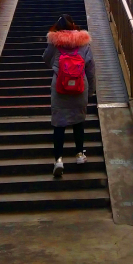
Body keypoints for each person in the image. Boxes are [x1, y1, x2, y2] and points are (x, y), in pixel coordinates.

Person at [43, 14, 96, 177]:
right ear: (73, 26)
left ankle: (58, 160)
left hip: (60, 87)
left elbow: (46, 59)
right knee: (78, 121)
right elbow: (91, 68)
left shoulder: (54, 43)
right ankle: (79, 154)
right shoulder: (84, 43)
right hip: (80, 87)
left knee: (59, 124)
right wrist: (91, 90)